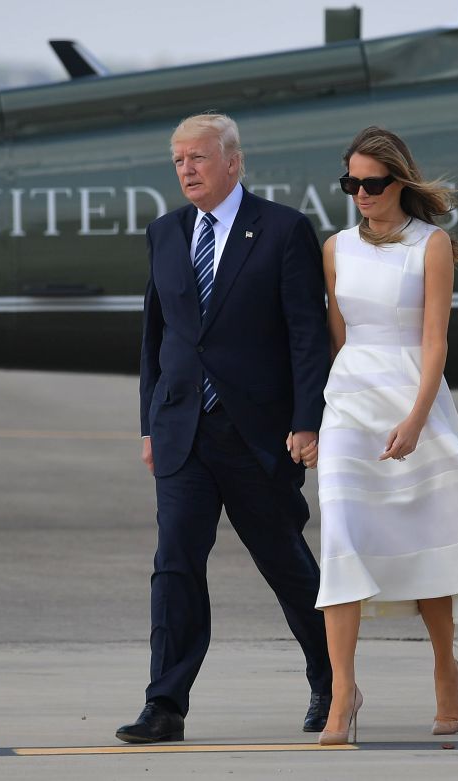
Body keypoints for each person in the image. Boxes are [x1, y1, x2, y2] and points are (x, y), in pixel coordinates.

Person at [306, 127, 458, 745]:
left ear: (399, 181)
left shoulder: (431, 245)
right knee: (341, 542)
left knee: (427, 542)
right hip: (349, 404)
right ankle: (342, 695)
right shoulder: (335, 248)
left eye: (372, 183)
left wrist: (417, 420)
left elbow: (436, 342)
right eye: (351, 183)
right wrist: (317, 416)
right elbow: (337, 338)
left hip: (413, 399)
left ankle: (448, 671)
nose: (361, 193)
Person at [117, 112, 333, 744]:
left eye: (199, 158)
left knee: (286, 564)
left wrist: (306, 420)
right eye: (179, 160)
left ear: (234, 162)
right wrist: (149, 424)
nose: (187, 170)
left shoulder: (284, 230)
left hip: (259, 435)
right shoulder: (165, 233)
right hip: (183, 431)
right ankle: (166, 704)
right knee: (175, 565)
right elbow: (155, 339)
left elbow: (305, 336)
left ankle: (330, 677)